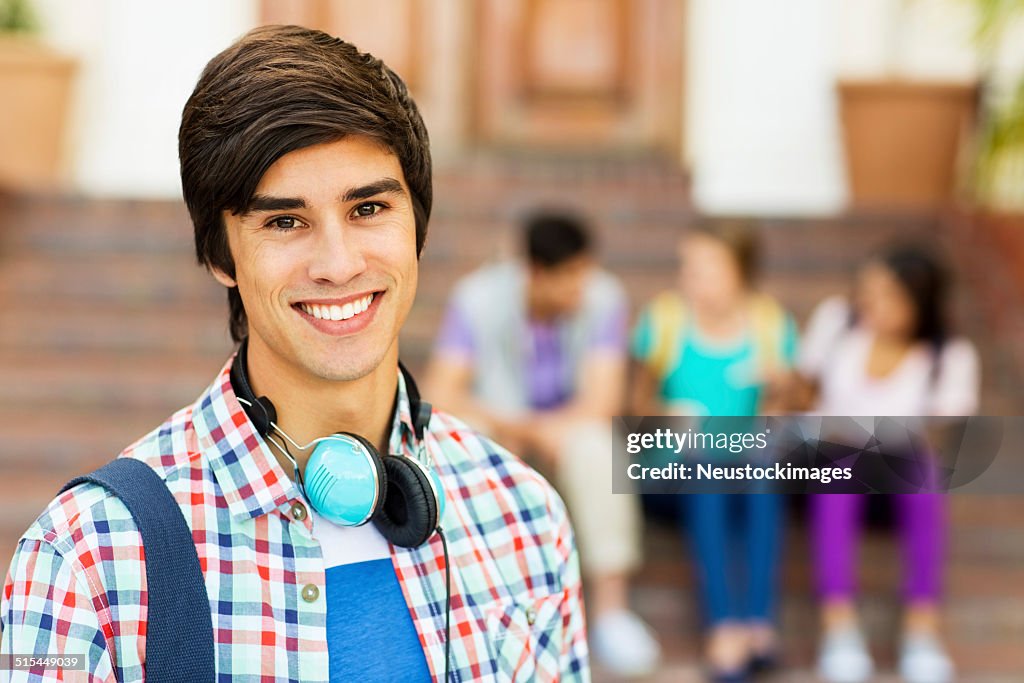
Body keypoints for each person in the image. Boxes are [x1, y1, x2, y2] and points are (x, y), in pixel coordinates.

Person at [1, 25, 588, 682]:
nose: (338, 264)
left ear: (417, 227)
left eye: (368, 208)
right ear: (222, 254)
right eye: (284, 221)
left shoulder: (522, 510)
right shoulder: (85, 553)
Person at [424, 211, 661, 677]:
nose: (581, 287)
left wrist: (550, 429)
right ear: (534, 271)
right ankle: (477, 601)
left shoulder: (604, 297)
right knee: (463, 433)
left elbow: (603, 399)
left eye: (584, 272)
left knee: (595, 444)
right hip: (505, 431)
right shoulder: (478, 298)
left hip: (568, 436)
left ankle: (612, 611)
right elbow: (440, 392)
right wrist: (524, 426)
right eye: (569, 277)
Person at [797, 245, 979, 683]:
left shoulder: (948, 356)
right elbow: (803, 394)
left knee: (921, 473)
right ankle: (838, 626)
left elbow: (936, 439)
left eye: (886, 296)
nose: (869, 304)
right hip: (827, 466)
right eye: (867, 291)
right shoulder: (837, 322)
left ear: (919, 304)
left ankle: (922, 629)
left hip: (897, 475)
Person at [630, 220, 798, 683]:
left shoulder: (769, 324)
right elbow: (635, 407)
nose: (690, 277)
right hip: (668, 471)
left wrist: (779, 388)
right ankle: (723, 626)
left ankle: (757, 624)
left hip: (744, 471)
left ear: (739, 272)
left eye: (704, 267)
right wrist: (667, 413)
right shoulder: (663, 319)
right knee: (709, 464)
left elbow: (781, 419)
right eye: (688, 266)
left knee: (759, 467)